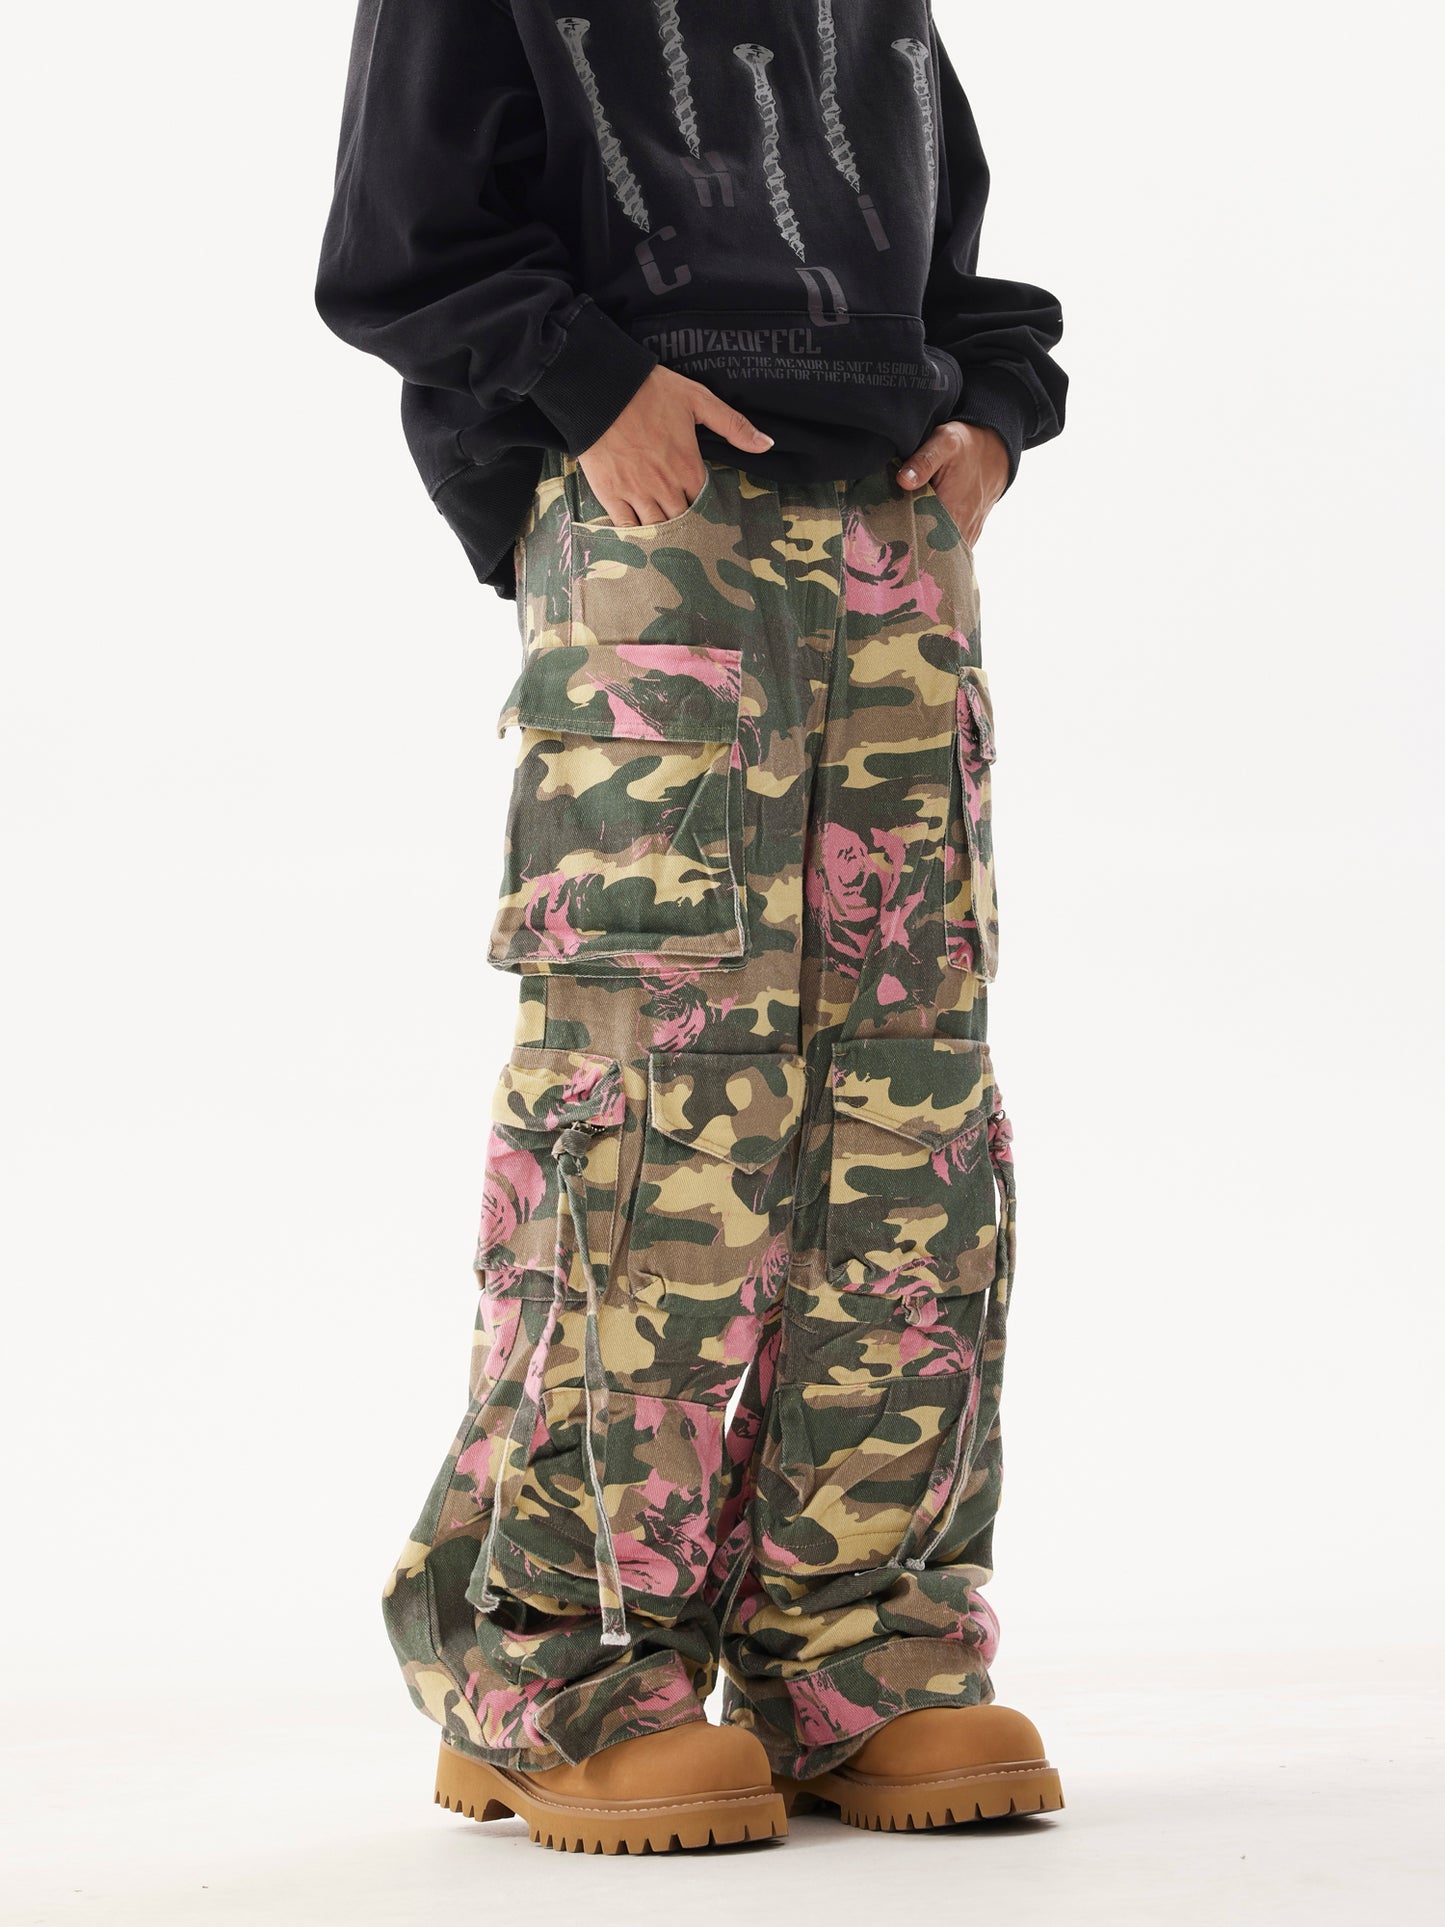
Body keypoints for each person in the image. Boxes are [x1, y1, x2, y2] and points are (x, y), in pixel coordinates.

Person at [317, 0, 1067, 1856]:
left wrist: (990, 413)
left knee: (906, 1127)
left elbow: (937, 240)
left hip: (892, 540)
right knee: (655, 1117)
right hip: (659, 535)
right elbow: (401, 240)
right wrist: (587, 388)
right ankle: (548, 1663)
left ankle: (858, 1648)